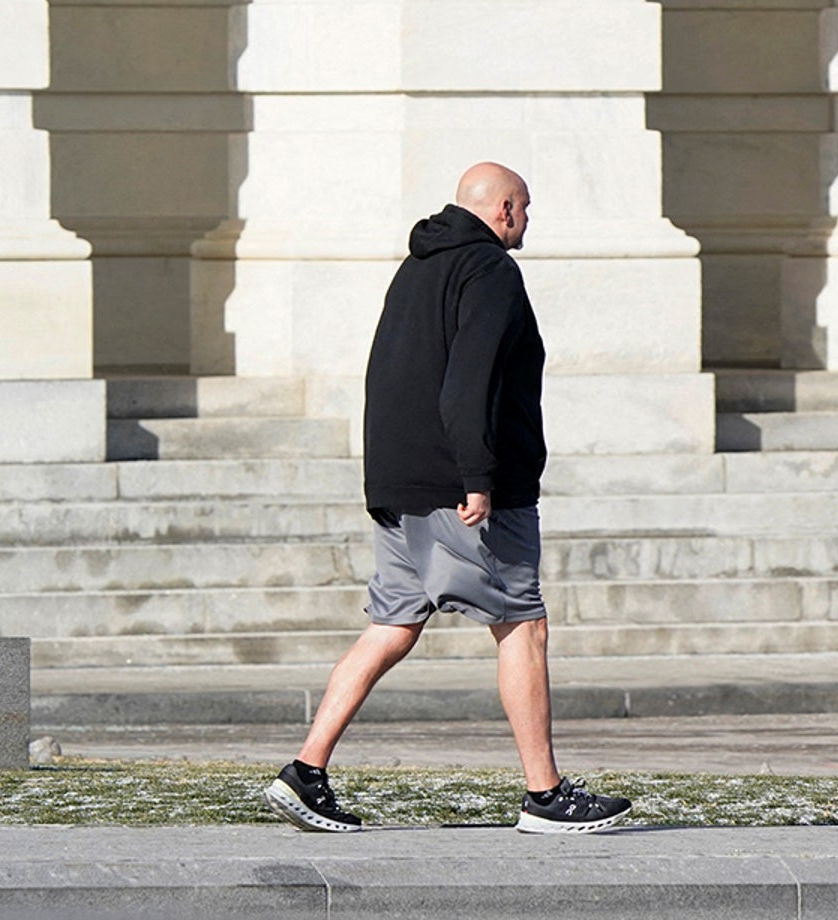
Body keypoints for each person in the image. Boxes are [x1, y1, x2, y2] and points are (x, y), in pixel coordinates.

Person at [262, 161, 632, 834]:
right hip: (459, 488)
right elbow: (472, 379)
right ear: (505, 209)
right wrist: (478, 476)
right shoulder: (489, 271)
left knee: (392, 625)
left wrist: (387, 481)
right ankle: (545, 795)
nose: (526, 221)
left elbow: (385, 375)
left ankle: (305, 771)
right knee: (523, 623)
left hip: (402, 485)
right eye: (524, 207)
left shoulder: (417, 267)